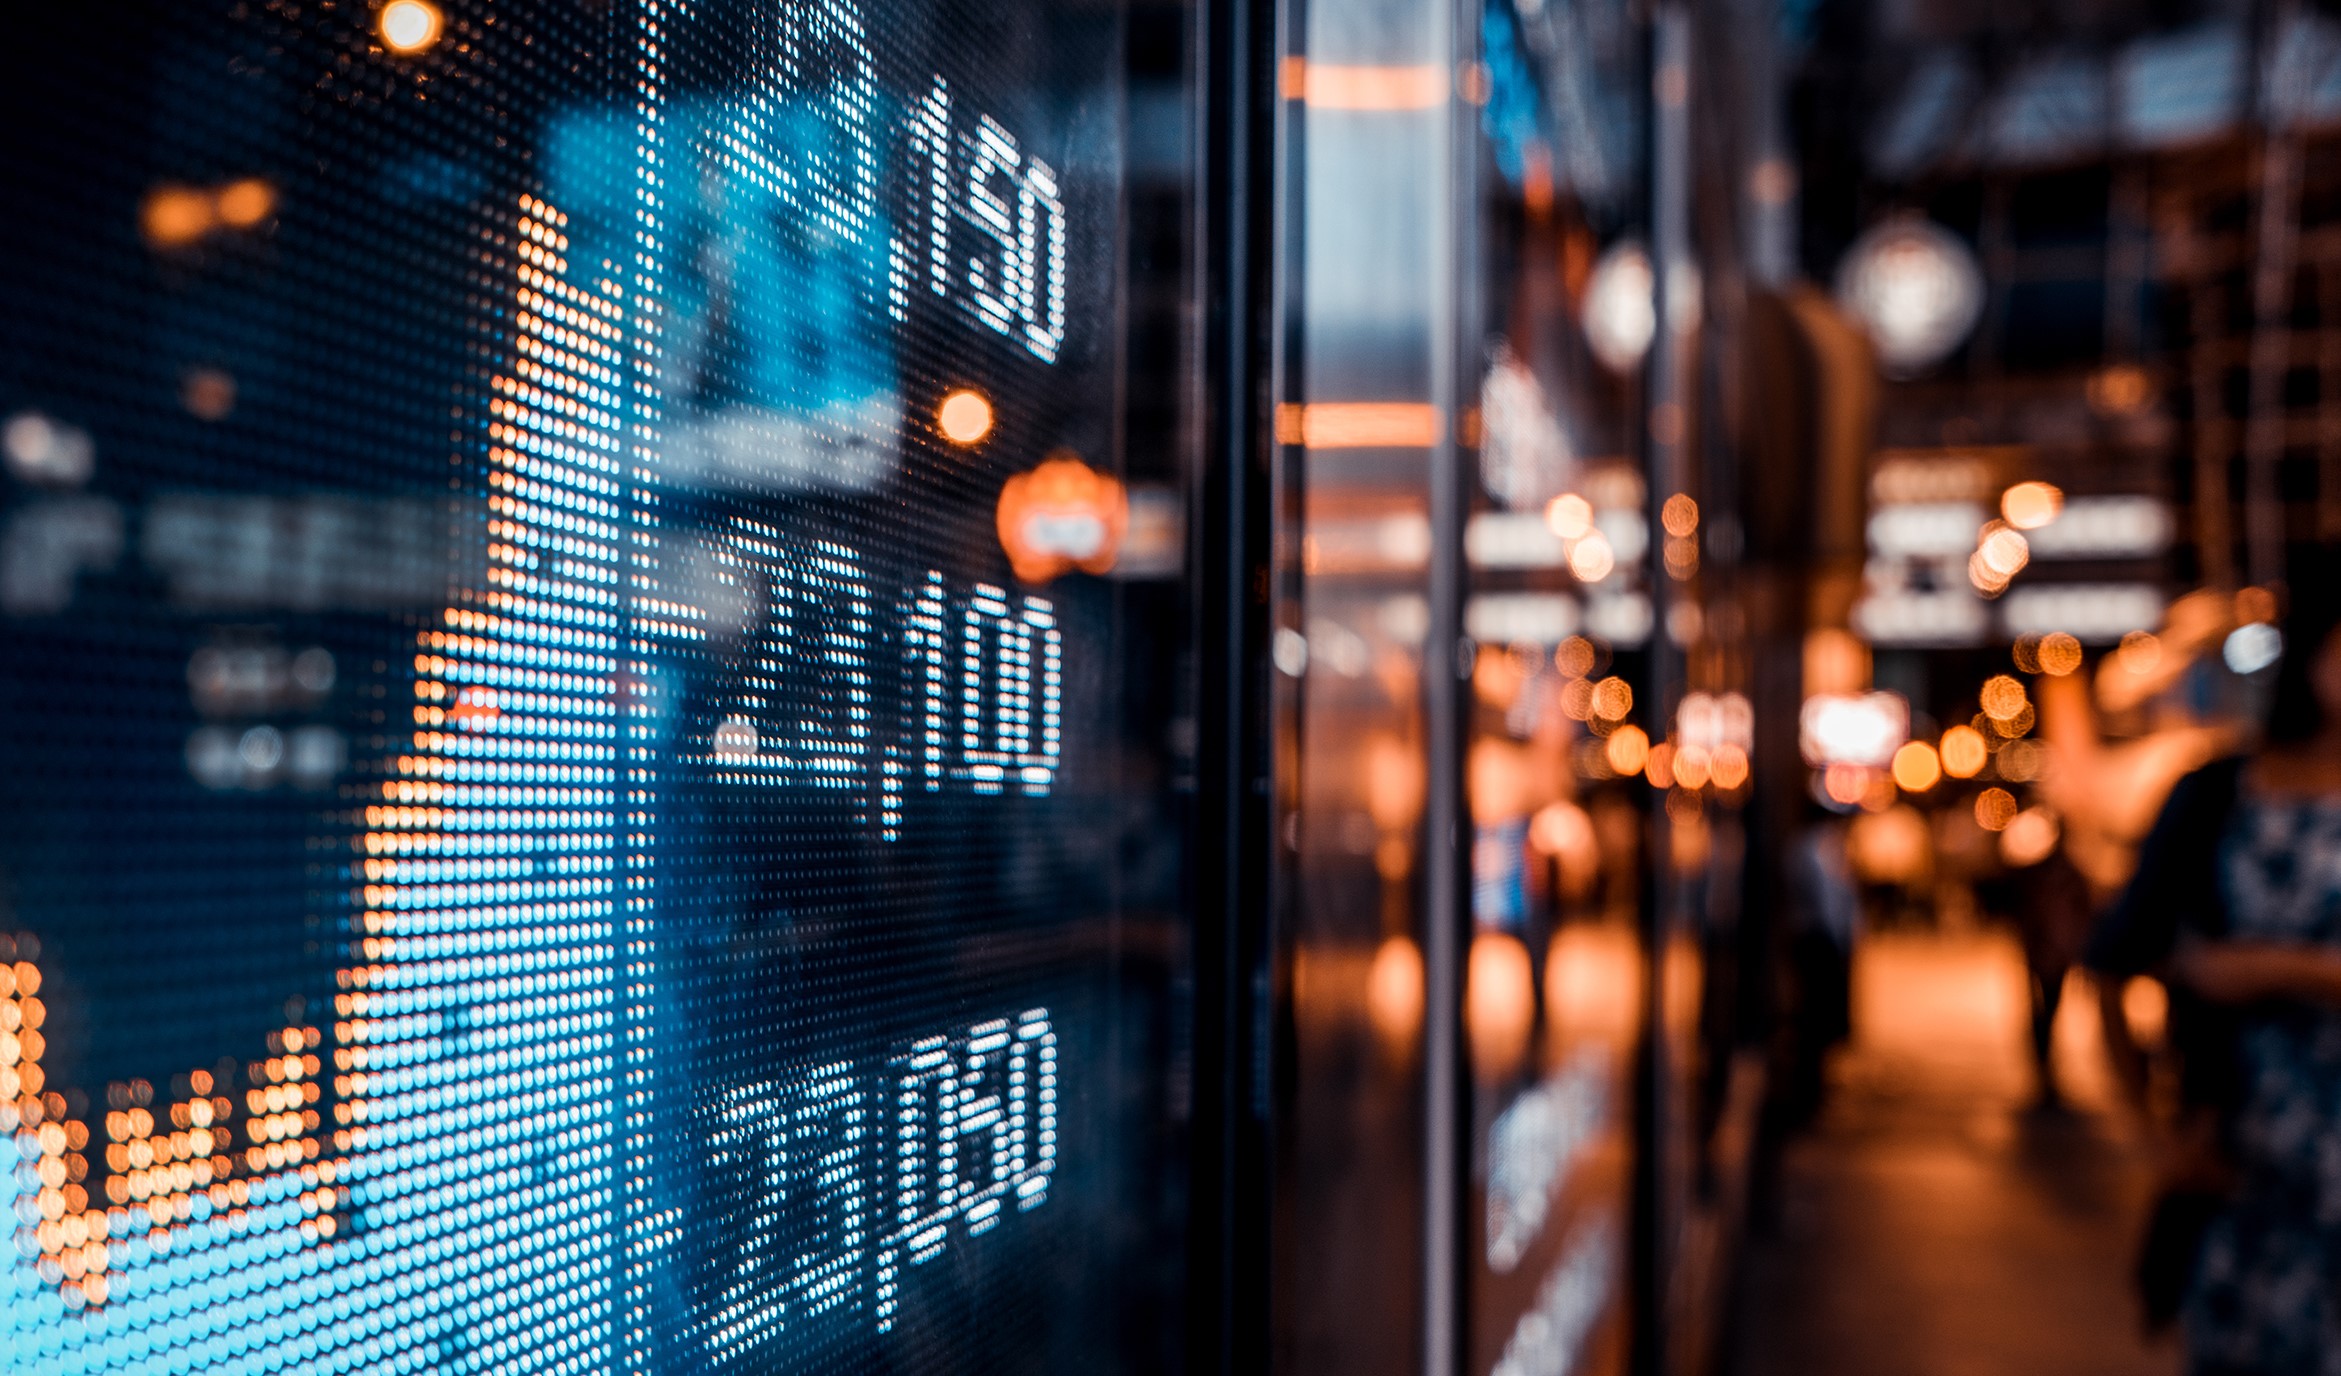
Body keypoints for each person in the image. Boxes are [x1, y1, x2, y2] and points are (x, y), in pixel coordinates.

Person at [2088, 570, 2341, 1370]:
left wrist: (2274, 969)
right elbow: (2114, 957)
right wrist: (2153, 1132)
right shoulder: (2214, 793)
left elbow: (2226, 969)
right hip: (2243, 1171)